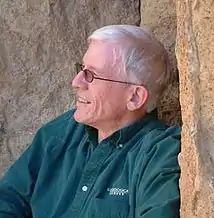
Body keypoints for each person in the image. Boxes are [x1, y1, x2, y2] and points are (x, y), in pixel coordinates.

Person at [0, 25, 181, 218]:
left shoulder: (160, 153)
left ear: (134, 97)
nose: (76, 82)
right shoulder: (62, 132)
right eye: (82, 69)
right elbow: (7, 202)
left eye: (91, 75)